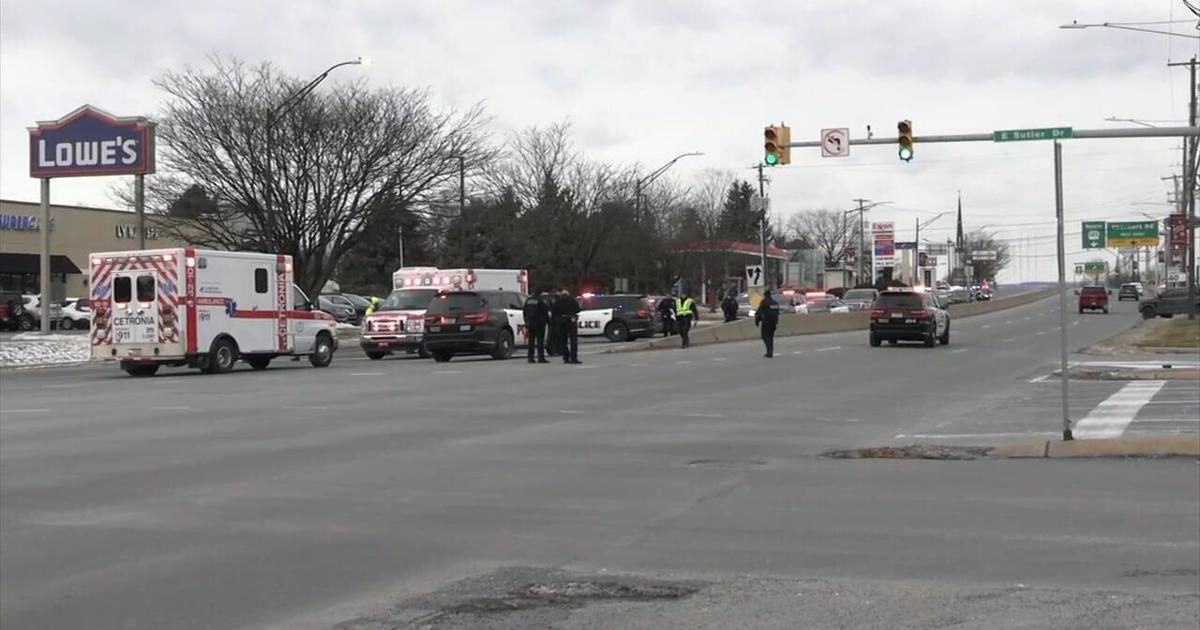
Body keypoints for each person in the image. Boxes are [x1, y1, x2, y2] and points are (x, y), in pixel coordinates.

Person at [552, 289, 581, 364]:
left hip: (562, 322)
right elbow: (578, 309)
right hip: (571, 321)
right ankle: (574, 358)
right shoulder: (572, 300)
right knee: (573, 341)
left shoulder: (558, 301)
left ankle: (566, 358)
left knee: (563, 341)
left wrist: (558, 319)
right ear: (568, 294)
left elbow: (554, 312)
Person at [523, 291, 550, 363]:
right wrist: (547, 322)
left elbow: (524, 311)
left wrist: (526, 321)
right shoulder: (540, 301)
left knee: (531, 341)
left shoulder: (528, 300)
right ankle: (541, 358)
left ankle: (530, 357)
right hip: (539, 324)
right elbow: (545, 312)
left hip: (530, 323)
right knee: (540, 341)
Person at [755, 288, 782, 358]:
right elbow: (777, 313)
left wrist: (757, 321)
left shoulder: (764, 302)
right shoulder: (775, 303)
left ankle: (769, 351)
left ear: (765, 295)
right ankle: (770, 351)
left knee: (765, 336)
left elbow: (759, 312)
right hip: (774, 322)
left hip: (766, 321)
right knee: (770, 337)